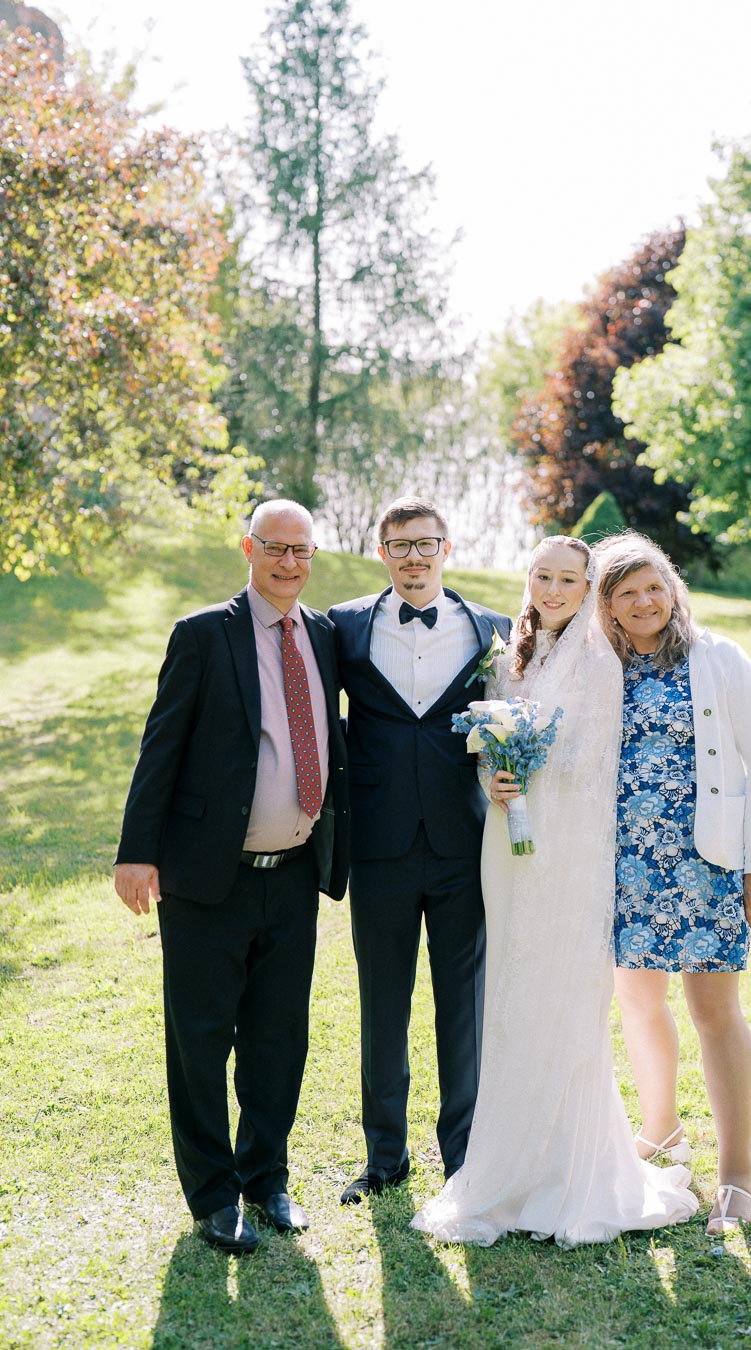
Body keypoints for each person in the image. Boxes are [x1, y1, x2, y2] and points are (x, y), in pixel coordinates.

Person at [412, 537, 698, 1246]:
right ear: (530, 579)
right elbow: (486, 741)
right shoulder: (515, 651)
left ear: (586, 585)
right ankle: (509, 1159)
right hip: (505, 847)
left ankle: (565, 1170)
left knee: (561, 998)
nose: (553, 588)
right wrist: (496, 775)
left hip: (566, 851)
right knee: (509, 989)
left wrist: (530, 767)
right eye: (543, 575)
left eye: (569, 579)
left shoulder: (601, 659)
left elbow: (592, 766)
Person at [114, 500, 349, 1253]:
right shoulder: (202, 634)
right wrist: (135, 850)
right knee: (201, 1039)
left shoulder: (323, 635)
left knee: (280, 1038)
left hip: (294, 877)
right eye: (275, 548)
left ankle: (267, 1179)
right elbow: (162, 747)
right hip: (208, 876)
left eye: (301, 551)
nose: (288, 563)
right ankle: (214, 1195)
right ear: (248, 548)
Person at [594, 530, 751, 1236]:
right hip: (626, 865)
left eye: (655, 586)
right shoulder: (601, 668)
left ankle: (737, 1173)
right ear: (607, 607)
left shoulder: (718, 659)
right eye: (627, 592)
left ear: (674, 590)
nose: (645, 601)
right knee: (638, 1001)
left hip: (706, 865)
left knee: (714, 1012)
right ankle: (663, 1130)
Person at [327, 498, 513, 1205]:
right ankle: (384, 1158)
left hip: (464, 844)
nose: (413, 557)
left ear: (446, 548)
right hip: (378, 846)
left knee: (462, 1005)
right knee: (382, 1003)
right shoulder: (342, 626)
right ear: (382, 552)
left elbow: (517, 715)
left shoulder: (492, 629)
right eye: (399, 546)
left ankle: (463, 1158)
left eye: (425, 544)